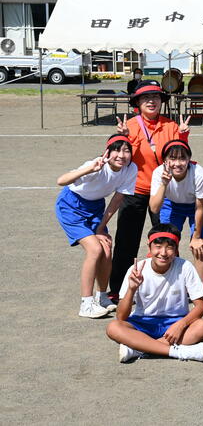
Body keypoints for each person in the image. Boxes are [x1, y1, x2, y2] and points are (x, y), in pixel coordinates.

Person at [109, 80, 189, 299]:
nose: (151, 101)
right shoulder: (130, 126)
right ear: (137, 103)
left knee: (168, 240)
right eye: (146, 98)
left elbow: (178, 157)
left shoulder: (170, 126)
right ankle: (118, 288)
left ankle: (173, 285)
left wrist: (182, 136)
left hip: (162, 191)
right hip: (134, 190)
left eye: (155, 97)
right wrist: (124, 138)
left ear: (161, 101)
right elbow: (120, 161)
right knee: (126, 241)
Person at [56, 134, 137, 318]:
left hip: (95, 208)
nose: (121, 155)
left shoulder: (131, 169)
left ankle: (102, 297)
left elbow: (117, 200)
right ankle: (86, 303)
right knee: (95, 249)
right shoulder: (95, 165)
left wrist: (101, 227)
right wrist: (89, 169)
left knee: (106, 248)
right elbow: (61, 180)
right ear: (107, 151)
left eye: (126, 151)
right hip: (71, 205)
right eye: (116, 150)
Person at [106, 223, 203, 363]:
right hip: (143, 322)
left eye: (170, 247)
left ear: (176, 249)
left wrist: (181, 324)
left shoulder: (185, 267)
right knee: (113, 327)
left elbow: (201, 306)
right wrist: (131, 289)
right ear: (149, 246)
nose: (163, 253)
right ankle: (176, 351)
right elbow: (121, 316)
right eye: (158, 246)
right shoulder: (136, 269)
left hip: (176, 321)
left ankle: (140, 349)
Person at [149, 139, 203, 285]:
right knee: (166, 245)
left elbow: (200, 207)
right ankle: (171, 285)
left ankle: (200, 291)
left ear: (189, 159)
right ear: (165, 160)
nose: (177, 163)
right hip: (171, 204)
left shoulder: (199, 174)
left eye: (182, 158)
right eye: (172, 158)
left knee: (200, 248)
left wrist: (196, 237)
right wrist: (164, 184)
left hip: (197, 206)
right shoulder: (158, 173)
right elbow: (154, 208)